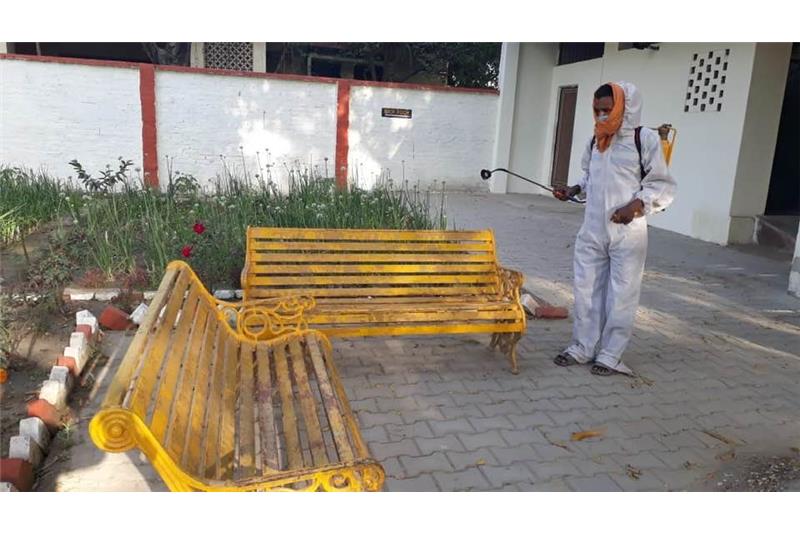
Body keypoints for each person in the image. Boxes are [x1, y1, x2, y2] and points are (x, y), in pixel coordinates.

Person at [552, 82, 676, 376]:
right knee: (585, 291)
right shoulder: (596, 140)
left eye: (608, 109)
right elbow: (589, 178)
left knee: (621, 294)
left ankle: (609, 354)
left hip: (627, 233)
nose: (602, 115)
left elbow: (661, 185)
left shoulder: (642, 139)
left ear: (624, 106)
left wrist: (634, 207)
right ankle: (582, 347)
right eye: (597, 110)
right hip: (592, 229)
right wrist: (573, 189)